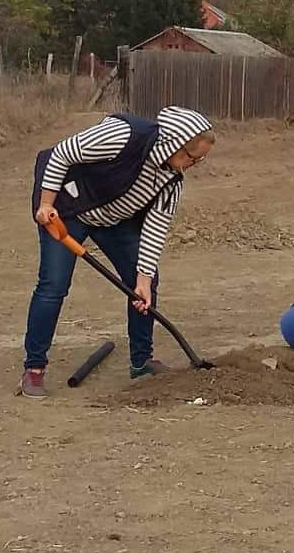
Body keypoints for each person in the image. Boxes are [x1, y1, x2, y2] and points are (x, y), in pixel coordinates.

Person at [19, 106, 215, 395]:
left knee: (143, 279)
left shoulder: (172, 181)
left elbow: (154, 229)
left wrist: (144, 281)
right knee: (54, 284)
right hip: (66, 210)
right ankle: (34, 369)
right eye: (190, 157)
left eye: (199, 160)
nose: (191, 165)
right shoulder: (124, 135)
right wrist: (47, 203)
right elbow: (62, 153)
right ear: (174, 142)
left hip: (112, 219)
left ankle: (141, 361)